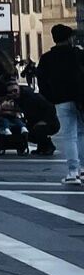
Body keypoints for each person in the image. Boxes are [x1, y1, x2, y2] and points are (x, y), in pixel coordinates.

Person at [40, 24, 84, 185]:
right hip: (81, 99)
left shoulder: (46, 58)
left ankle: (73, 172)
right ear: (70, 38)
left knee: (69, 135)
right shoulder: (78, 54)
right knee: (81, 133)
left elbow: (42, 82)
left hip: (61, 100)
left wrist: (52, 98)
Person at [14, 82, 61, 156]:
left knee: (38, 129)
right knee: (25, 131)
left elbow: (50, 107)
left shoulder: (32, 97)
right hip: (34, 121)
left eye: (15, 91)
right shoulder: (19, 99)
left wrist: (45, 121)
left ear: (19, 89)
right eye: (10, 92)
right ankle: (41, 147)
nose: (13, 93)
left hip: (50, 122)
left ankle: (49, 146)